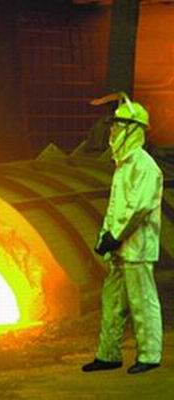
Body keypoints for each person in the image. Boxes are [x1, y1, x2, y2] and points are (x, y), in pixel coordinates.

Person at [82, 92, 164, 374]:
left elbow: (138, 207)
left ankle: (149, 355)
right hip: (120, 248)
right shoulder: (123, 166)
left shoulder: (145, 166)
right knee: (112, 302)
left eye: (118, 124)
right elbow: (115, 206)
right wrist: (105, 235)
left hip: (137, 248)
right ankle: (108, 354)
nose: (112, 130)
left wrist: (114, 235)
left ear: (132, 129)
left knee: (143, 302)